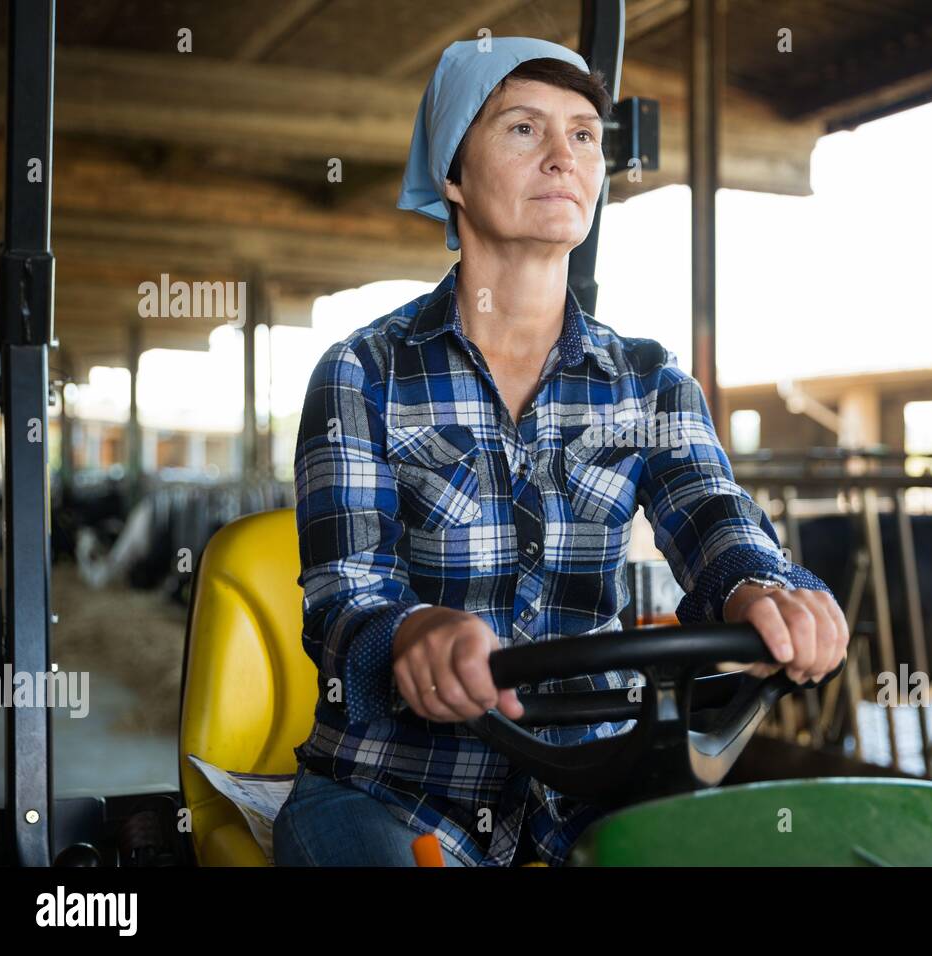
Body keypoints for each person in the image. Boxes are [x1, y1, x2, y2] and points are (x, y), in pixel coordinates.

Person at [273, 36, 849, 868]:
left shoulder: (648, 382)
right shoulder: (364, 371)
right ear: (453, 176)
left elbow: (719, 523)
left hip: (594, 785)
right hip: (395, 790)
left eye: (584, 135)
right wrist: (413, 634)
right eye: (522, 130)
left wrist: (768, 588)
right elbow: (344, 594)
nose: (563, 157)